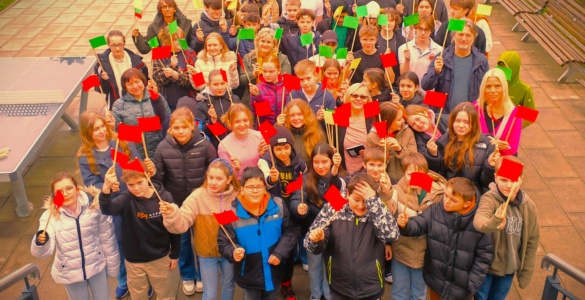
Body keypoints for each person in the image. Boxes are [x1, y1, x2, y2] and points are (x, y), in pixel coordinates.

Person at [152, 107, 217, 295]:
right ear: (170, 128)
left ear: (192, 126)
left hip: (201, 204)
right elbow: (158, 180)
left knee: (203, 241)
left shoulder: (205, 145)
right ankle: (188, 275)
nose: (180, 131)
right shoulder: (163, 148)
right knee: (182, 241)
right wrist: (167, 199)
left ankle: (204, 275)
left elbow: (213, 172)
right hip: (178, 205)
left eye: (184, 127)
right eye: (176, 127)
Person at [305, 172, 400, 299]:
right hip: (339, 286)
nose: (361, 206)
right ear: (348, 194)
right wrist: (316, 240)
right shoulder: (334, 206)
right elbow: (309, 245)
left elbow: (392, 235)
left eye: (365, 201)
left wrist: (373, 202)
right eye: (356, 200)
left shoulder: (377, 208)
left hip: (370, 287)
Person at [396, 177, 494, 300]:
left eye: (453, 200)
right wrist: (406, 225)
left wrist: (471, 284)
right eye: (446, 196)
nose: (446, 201)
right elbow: (419, 224)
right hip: (436, 282)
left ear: (467, 204)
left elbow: (484, 257)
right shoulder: (435, 210)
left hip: (463, 290)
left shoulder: (479, 222)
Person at [76, 111, 140, 299]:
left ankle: (141, 280)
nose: (102, 131)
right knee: (117, 245)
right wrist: (105, 187)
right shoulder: (84, 156)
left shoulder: (123, 142)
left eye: (103, 126)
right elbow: (90, 186)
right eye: (96, 129)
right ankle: (123, 279)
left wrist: (131, 179)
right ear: (88, 133)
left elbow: (137, 166)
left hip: (131, 199)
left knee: (137, 241)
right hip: (111, 208)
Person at [160, 159, 241, 300]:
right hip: (206, 254)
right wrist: (172, 213)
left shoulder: (238, 195)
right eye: (210, 177)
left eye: (219, 178)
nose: (213, 182)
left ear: (229, 179)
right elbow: (182, 224)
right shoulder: (197, 196)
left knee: (229, 285)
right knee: (210, 292)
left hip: (230, 251)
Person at [31, 173, 118, 300]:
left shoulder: (95, 207)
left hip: (96, 265)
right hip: (70, 272)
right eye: (59, 192)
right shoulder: (49, 217)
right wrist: (40, 242)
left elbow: (107, 237)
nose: (65, 193)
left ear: (77, 189)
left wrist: (112, 265)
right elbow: (42, 253)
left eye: (69, 188)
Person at [218, 167, 301, 300]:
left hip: (275, 270)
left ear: (265, 188)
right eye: (250, 187)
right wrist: (233, 251)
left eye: (259, 186)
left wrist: (280, 252)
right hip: (249, 274)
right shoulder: (229, 213)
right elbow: (223, 243)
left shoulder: (279, 205)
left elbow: (291, 230)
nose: (255, 191)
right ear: (242, 189)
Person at [99, 165, 181, 300]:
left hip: (159, 257)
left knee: (165, 293)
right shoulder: (126, 198)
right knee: (138, 295)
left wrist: (175, 254)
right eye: (131, 185)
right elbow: (108, 209)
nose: (136, 188)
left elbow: (174, 227)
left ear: (147, 176)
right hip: (134, 260)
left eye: (139, 182)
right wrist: (106, 189)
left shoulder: (164, 197)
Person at [473, 156, 540, 300]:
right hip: (487, 267)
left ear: (521, 179)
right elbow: (479, 222)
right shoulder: (489, 199)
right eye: (504, 180)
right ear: (496, 178)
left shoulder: (529, 206)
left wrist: (526, 271)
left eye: (514, 180)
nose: (509, 185)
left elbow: (532, 240)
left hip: (509, 268)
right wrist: (494, 221)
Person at [386, 153, 447, 300]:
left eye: (418, 174)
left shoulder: (438, 194)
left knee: (419, 292)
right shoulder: (396, 190)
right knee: (399, 291)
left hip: (425, 255)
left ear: (426, 174)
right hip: (401, 251)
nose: (413, 178)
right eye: (409, 174)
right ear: (403, 173)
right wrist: (384, 192)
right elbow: (387, 211)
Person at [289, 142, 344, 300]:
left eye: (324, 161)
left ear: (332, 161)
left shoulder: (339, 179)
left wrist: (333, 174)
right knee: (314, 266)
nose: (320, 166)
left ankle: (328, 295)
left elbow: (338, 202)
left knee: (330, 267)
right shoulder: (306, 180)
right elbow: (296, 199)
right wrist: (299, 209)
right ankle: (315, 295)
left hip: (333, 234)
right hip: (312, 232)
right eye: (316, 162)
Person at [257, 126, 307, 299]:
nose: (283, 152)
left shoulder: (300, 164)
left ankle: (286, 283)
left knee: (289, 251)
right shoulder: (265, 162)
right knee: (272, 250)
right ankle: (272, 282)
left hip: (292, 213)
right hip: (272, 214)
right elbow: (264, 181)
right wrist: (271, 179)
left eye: (286, 147)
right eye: (278, 148)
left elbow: (304, 185)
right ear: (271, 149)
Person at [425, 102, 499, 193]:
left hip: (472, 195)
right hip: (447, 192)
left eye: (467, 122)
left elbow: (487, 183)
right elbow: (436, 174)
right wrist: (432, 155)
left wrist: (490, 166)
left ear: (474, 123)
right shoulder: (442, 142)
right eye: (457, 121)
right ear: (452, 121)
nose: (461, 125)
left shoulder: (487, 144)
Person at [421, 19, 489, 118]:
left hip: (470, 117)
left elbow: (486, 89)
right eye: (460, 34)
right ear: (453, 36)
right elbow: (425, 85)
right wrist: (436, 72)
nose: (464, 38)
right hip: (444, 116)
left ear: (473, 38)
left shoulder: (481, 61)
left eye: (468, 35)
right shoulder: (441, 57)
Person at [111, 68, 171, 159]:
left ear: (143, 82)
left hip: (158, 151)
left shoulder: (156, 97)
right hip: (134, 155)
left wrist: (145, 125)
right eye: (130, 84)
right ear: (125, 86)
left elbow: (167, 121)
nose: (135, 86)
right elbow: (117, 132)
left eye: (137, 82)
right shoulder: (119, 105)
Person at [95, 30, 148, 111]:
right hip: (117, 106)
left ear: (124, 43)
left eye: (120, 44)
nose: (117, 48)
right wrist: (103, 80)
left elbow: (145, 82)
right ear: (108, 44)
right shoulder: (101, 65)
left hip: (138, 104)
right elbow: (100, 90)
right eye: (113, 45)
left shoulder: (138, 62)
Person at [475, 68, 522, 156]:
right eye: (488, 86)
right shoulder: (474, 108)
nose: (493, 90)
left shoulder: (515, 114)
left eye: (497, 86)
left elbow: (513, 149)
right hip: (476, 160)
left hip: (501, 161)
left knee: (516, 168)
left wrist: (502, 147)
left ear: (504, 87)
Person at [239, 27, 292, 106]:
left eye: (268, 42)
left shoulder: (282, 58)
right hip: (253, 99)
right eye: (262, 41)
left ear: (274, 44)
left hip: (275, 99)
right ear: (257, 42)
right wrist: (253, 74)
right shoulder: (248, 57)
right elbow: (242, 80)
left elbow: (287, 80)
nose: (265, 44)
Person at [367, 101, 417, 183]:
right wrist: (382, 151)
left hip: (406, 181)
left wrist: (400, 149)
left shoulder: (407, 131)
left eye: (402, 118)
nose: (403, 121)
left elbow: (414, 160)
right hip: (386, 182)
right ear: (388, 122)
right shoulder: (372, 137)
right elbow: (372, 166)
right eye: (399, 119)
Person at [218, 104, 269, 180]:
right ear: (229, 123)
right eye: (237, 122)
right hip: (239, 184)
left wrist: (263, 155)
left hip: (260, 181)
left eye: (245, 120)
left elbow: (269, 163)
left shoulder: (260, 136)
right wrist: (235, 169)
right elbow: (227, 176)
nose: (242, 125)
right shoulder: (223, 145)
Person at [152, 27, 197, 111]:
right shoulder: (159, 53)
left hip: (188, 100)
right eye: (176, 39)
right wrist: (171, 67)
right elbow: (157, 79)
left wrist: (176, 75)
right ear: (167, 41)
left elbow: (192, 81)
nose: (181, 41)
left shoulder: (189, 52)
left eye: (182, 38)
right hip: (168, 102)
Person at [196, 70, 242, 150]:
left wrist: (236, 113)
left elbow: (244, 121)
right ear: (209, 85)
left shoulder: (234, 99)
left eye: (222, 83)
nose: (220, 87)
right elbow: (201, 132)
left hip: (237, 143)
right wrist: (212, 121)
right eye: (215, 84)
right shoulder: (202, 104)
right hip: (216, 146)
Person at [335, 83, 375, 174]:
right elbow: (331, 139)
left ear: (367, 99)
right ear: (348, 96)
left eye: (363, 97)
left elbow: (383, 146)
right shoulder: (340, 113)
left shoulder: (374, 114)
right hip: (343, 170)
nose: (358, 99)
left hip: (368, 171)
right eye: (355, 95)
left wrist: (370, 154)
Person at [277, 99, 327, 165]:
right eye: (292, 115)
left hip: (310, 173)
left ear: (307, 115)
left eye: (299, 114)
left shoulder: (318, 133)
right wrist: (277, 126)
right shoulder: (283, 133)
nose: (296, 118)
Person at [398, 14, 443, 82]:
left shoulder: (439, 50)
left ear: (431, 31)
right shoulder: (404, 48)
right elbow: (403, 75)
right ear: (415, 28)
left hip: (429, 91)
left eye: (426, 29)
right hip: (411, 91)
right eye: (420, 29)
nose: (423, 33)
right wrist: (407, 60)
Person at [497, 51, 536, 128]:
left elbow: (529, 116)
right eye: (500, 67)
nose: (502, 71)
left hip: (507, 132)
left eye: (506, 68)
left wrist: (513, 126)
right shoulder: (492, 82)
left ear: (515, 69)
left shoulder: (524, 89)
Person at [249, 55, 290, 125]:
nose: (267, 75)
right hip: (266, 128)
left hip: (285, 126)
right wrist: (256, 96)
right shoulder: (258, 88)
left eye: (271, 71)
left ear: (279, 71)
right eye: (264, 71)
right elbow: (259, 115)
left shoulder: (287, 85)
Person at [280, 9, 322, 74]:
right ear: (298, 23)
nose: (305, 25)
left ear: (312, 22)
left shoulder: (320, 39)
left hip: (314, 76)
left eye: (308, 22)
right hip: (296, 76)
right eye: (302, 22)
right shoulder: (290, 39)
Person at [376, 7, 406, 85]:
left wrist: (388, 59)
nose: (388, 23)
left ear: (396, 22)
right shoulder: (374, 38)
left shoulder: (402, 40)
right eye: (385, 20)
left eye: (391, 20)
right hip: (376, 80)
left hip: (395, 82)